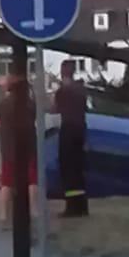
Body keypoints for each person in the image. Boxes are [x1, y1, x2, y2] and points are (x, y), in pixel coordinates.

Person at [0, 75, 37, 226]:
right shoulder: (30, 104)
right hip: (28, 146)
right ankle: (33, 211)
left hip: (9, 149)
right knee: (32, 179)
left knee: (7, 182)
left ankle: (4, 215)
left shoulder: (3, 105)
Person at [54, 60, 89, 217]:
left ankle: (71, 207)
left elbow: (56, 109)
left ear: (62, 73)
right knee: (78, 170)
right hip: (80, 131)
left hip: (68, 131)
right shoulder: (81, 90)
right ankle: (82, 206)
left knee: (68, 171)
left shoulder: (62, 92)